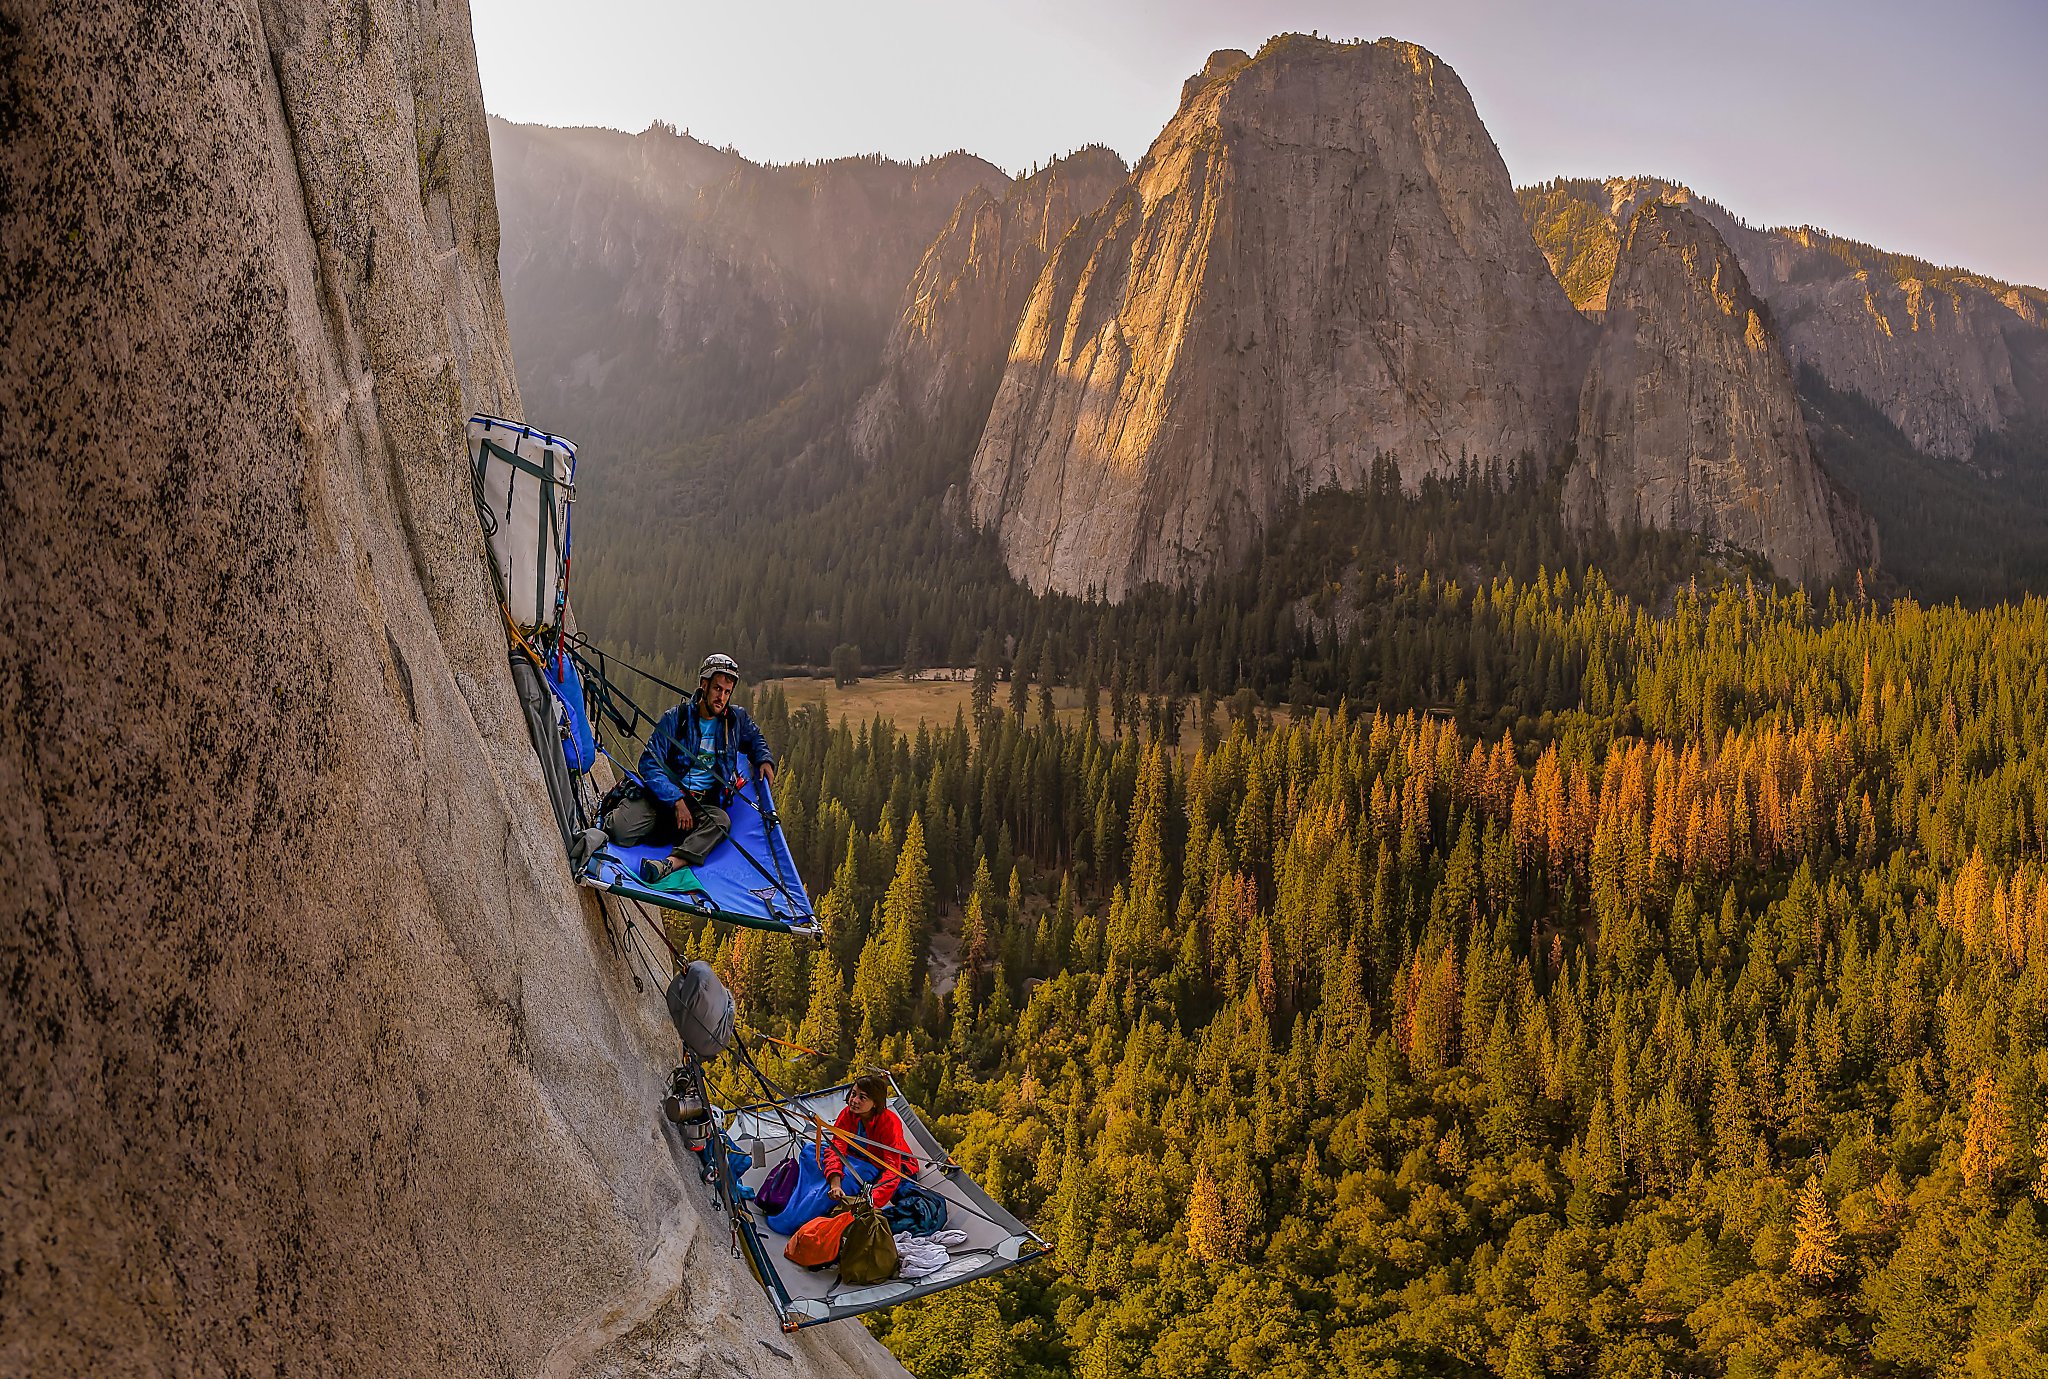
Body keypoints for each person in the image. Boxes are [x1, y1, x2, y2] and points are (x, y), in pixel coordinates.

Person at [605, 652, 775, 883]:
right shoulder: (677, 718)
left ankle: (670, 864)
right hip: (664, 799)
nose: (721, 697)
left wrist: (764, 759)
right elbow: (649, 762)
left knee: (721, 822)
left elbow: (755, 739)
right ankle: (628, 809)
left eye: (727, 692)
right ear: (703, 685)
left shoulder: (735, 720)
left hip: (701, 806)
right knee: (618, 831)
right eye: (717, 689)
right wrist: (676, 801)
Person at [821, 1073, 915, 1209]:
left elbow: (892, 1168)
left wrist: (871, 1202)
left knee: (848, 1183)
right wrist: (835, 1181)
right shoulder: (848, 1114)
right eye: (853, 1094)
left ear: (875, 1103)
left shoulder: (889, 1123)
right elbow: (837, 1146)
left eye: (862, 1097)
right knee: (810, 1151)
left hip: (876, 1165)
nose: (854, 1100)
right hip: (855, 1157)